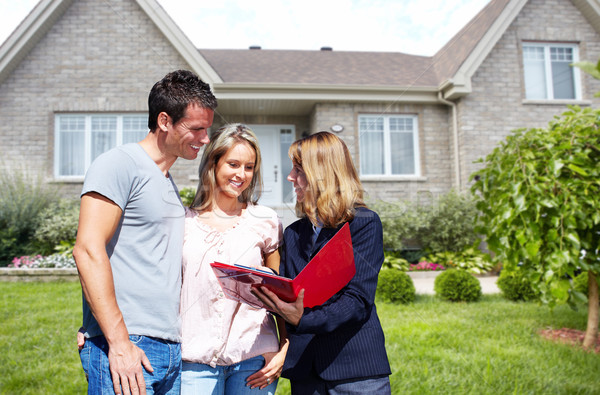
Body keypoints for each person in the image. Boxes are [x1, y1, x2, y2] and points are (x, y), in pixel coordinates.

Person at [73, 69, 217, 395]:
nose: (205, 139)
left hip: (168, 348)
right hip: (130, 346)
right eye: (196, 128)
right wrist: (116, 340)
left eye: (207, 129)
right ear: (164, 121)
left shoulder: (165, 181)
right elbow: (87, 249)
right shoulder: (119, 164)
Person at [253, 131, 392, 394]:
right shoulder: (294, 234)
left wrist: (303, 318)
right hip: (306, 373)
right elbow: (287, 289)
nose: (290, 178)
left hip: (355, 370)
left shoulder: (362, 223)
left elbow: (357, 301)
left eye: (298, 170)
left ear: (322, 175)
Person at [180, 123, 288, 394]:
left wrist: (284, 348)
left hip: (254, 360)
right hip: (194, 361)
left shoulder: (264, 221)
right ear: (213, 163)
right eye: (233, 164)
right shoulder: (182, 222)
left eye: (249, 167)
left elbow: (280, 296)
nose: (241, 174)